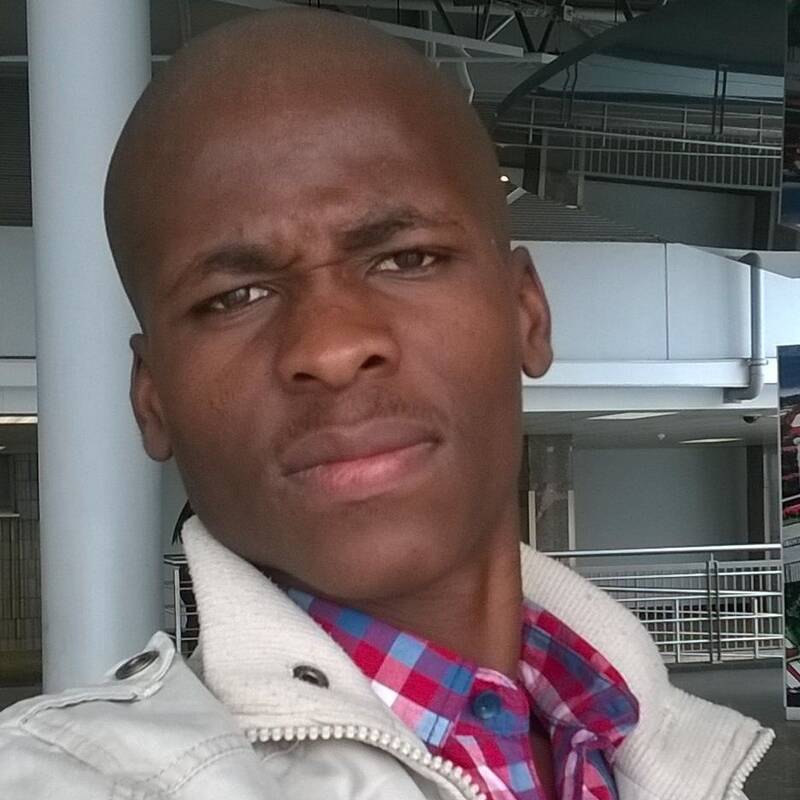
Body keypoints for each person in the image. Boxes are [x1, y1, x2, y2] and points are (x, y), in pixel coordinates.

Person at [0, 9, 773, 799]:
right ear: (152, 398)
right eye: (236, 296)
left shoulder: (666, 748)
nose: (332, 348)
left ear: (527, 315)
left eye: (407, 258)